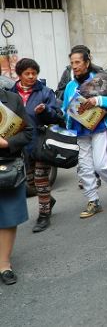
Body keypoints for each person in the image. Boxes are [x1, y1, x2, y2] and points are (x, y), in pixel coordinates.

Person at [61, 46, 107, 218]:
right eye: (72, 63)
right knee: (84, 167)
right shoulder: (70, 86)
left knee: (101, 164)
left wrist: (97, 100)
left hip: (100, 128)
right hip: (79, 131)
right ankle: (93, 201)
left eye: (78, 62)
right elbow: (64, 108)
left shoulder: (99, 79)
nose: (74, 66)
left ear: (87, 62)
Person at [11, 58, 62, 232]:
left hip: (41, 141)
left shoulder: (45, 92)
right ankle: (48, 199)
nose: (31, 76)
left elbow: (57, 115)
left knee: (41, 179)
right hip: (21, 144)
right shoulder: (10, 93)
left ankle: (44, 215)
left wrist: (46, 110)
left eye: (34, 73)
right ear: (19, 75)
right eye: (27, 73)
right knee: (31, 182)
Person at [0, 87, 34, 285]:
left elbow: (28, 132)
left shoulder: (12, 99)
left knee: (8, 215)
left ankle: (4, 264)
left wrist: (6, 143)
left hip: (8, 166)